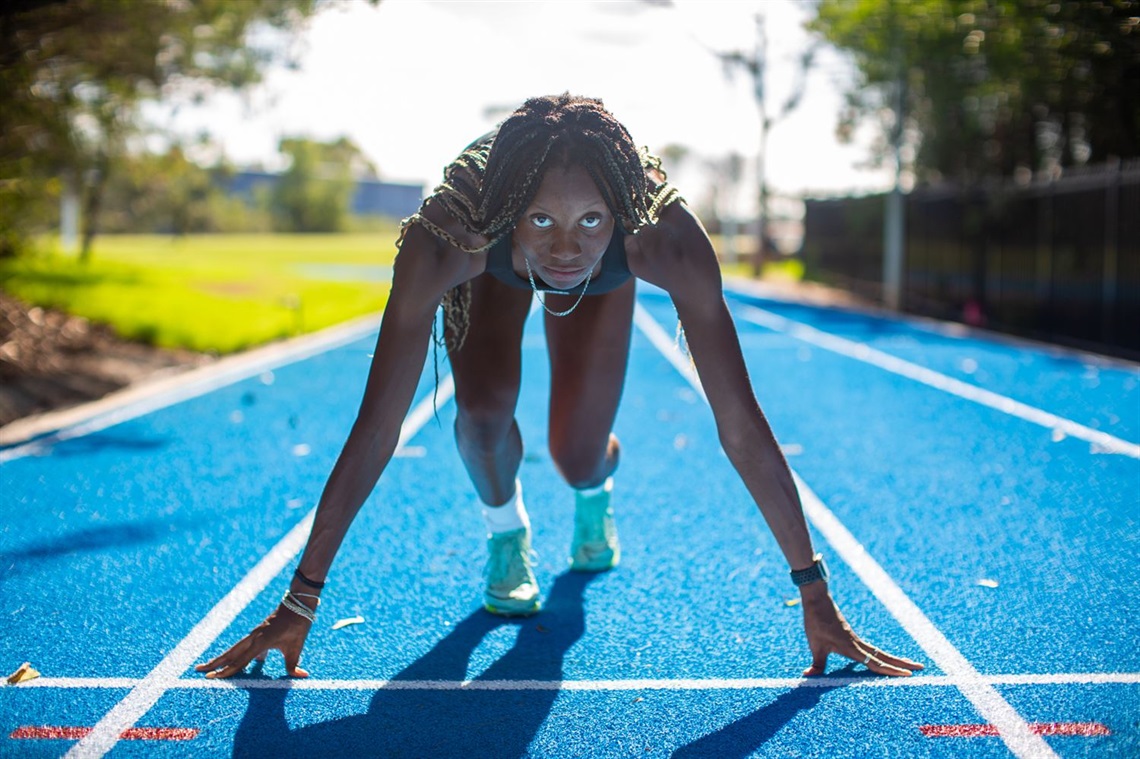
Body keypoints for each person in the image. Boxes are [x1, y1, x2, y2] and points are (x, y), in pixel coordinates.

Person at [197, 94, 922, 681]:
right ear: (511, 209)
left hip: (607, 279)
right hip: (491, 266)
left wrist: (814, 590)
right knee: (480, 416)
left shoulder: (664, 238)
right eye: (542, 219)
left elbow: (738, 421)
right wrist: (301, 596)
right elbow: (377, 427)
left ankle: (595, 484)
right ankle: (507, 534)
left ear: (621, 215)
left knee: (573, 453)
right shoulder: (448, 237)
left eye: (589, 222)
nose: (566, 247)